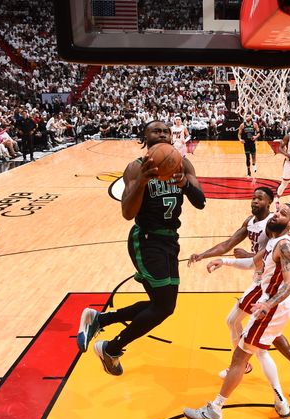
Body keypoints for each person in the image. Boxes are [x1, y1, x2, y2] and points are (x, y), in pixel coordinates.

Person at [77, 120, 206, 375]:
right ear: (144, 138)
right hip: (146, 240)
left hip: (170, 240)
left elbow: (200, 202)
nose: (162, 134)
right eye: (156, 130)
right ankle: (111, 348)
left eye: (166, 131)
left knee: (161, 304)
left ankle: (100, 320)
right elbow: (127, 212)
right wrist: (143, 181)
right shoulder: (135, 168)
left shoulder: (183, 163)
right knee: (163, 306)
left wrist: (185, 185)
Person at [188, 186, 290, 397]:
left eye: (260, 199)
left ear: (269, 203)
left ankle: (264, 385)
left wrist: (247, 256)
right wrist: (205, 255)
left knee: (247, 334)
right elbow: (232, 245)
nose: (255, 201)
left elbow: (267, 261)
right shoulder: (253, 223)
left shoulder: (275, 229)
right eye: (253, 197)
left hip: (265, 288)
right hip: (262, 283)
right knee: (267, 333)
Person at [184, 203, 290, 419]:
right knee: (260, 351)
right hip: (274, 305)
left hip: (275, 306)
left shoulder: (285, 246)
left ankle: (215, 410)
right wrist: (224, 261)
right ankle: (281, 403)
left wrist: (269, 304)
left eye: (283, 214)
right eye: (277, 211)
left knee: (240, 356)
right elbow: (251, 263)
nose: (277, 214)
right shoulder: (273, 243)